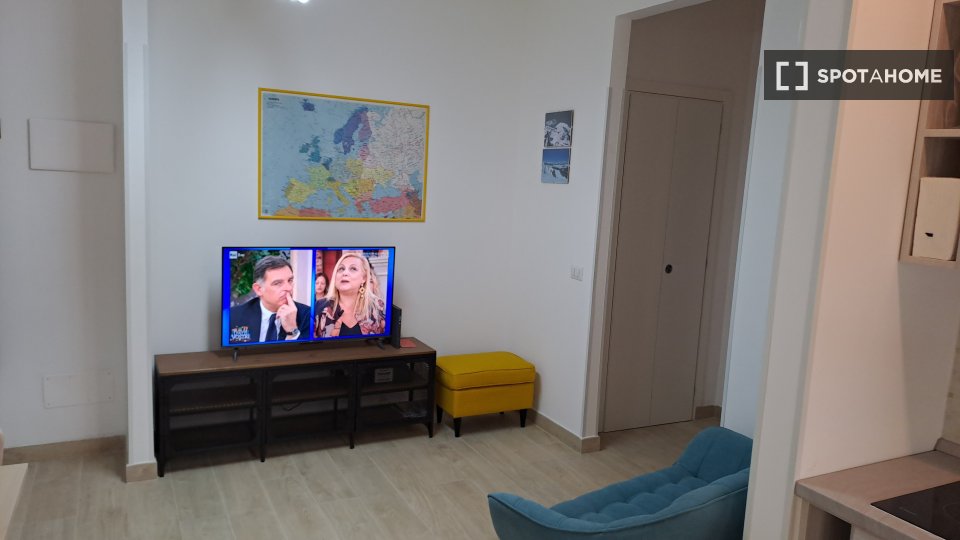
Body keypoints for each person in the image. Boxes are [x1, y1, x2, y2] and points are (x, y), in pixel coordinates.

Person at [228, 256, 311, 344]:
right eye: (278, 283)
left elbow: (308, 352)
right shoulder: (234, 316)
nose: (289, 288)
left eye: (290, 280)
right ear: (259, 289)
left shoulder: (308, 315)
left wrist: (292, 331)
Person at [315, 253, 386, 337]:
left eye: (353, 269)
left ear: (363, 278)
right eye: (341, 269)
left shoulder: (377, 306)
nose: (345, 273)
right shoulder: (320, 306)